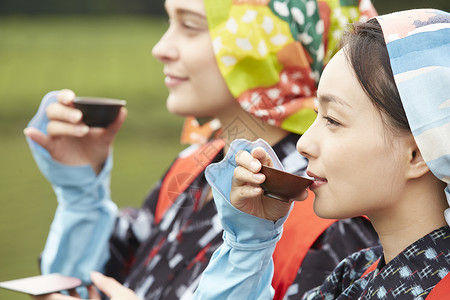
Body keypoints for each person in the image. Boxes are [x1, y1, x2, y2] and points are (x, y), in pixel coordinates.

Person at [24, 0, 379, 299]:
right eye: (169, 21)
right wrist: (81, 193)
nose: (160, 48)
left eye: (190, 26)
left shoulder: (328, 209)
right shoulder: (193, 166)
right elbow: (88, 284)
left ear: (262, 44)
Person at [192, 8, 450, 299]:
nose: (304, 143)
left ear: (416, 153)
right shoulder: (353, 275)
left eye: (333, 120)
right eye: (317, 115)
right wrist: (249, 245)